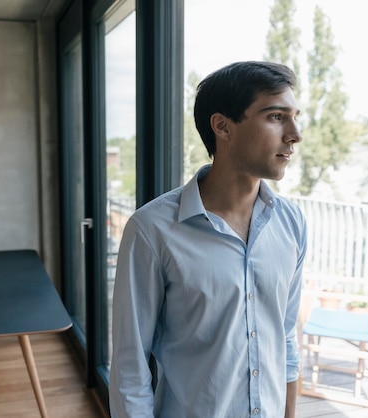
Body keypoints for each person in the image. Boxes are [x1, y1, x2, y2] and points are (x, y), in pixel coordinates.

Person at [109, 61, 307, 418]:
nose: (295, 134)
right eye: (276, 117)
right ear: (222, 126)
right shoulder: (153, 230)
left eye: (295, 116)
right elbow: (130, 365)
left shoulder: (291, 223)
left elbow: (286, 340)